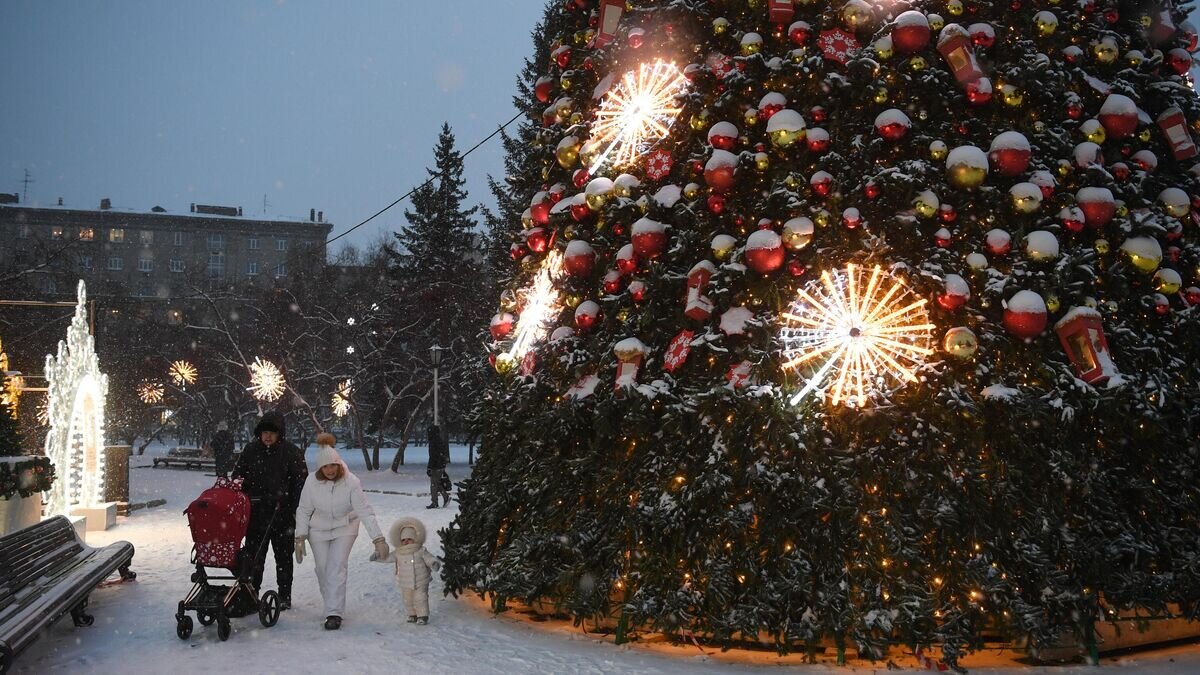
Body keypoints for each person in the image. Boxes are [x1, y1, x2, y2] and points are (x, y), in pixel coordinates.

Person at [293, 433, 389, 630]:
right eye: (326, 467)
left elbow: (365, 511)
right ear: (320, 468)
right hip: (318, 529)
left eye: (333, 465)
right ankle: (331, 603)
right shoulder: (311, 482)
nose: (330, 470)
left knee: (336, 566)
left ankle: (334, 613)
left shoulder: (351, 481)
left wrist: (378, 539)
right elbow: (303, 510)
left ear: (338, 464)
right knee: (322, 568)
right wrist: (300, 537)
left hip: (345, 527)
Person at [231, 410, 307, 610]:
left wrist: (293, 508)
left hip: (283, 515)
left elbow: (301, 484)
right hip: (255, 515)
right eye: (265, 432)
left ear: (279, 434)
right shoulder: (250, 450)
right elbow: (238, 477)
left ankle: (284, 596)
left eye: (272, 433)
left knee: (283, 558)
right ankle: (251, 593)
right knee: (254, 557)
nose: (268, 436)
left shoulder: (291, 452)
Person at [372, 516, 440, 625]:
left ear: (415, 539)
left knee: (420, 598)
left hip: (421, 580)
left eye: (409, 539)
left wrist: (434, 563)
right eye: (403, 540)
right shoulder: (398, 552)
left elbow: (429, 558)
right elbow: (388, 558)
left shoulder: (421, 550)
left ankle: (423, 616)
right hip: (405, 581)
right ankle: (412, 614)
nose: (406, 542)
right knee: (408, 599)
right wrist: (378, 557)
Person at [425, 425, 451, 509]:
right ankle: (445, 497)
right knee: (437, 483)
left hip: (435, 466)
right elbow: (441, 454)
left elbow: (433, 456)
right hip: (440, 465)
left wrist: (429, 467)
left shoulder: (433, 442)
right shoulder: (439, 440)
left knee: (434, 485)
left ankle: (435, 502)